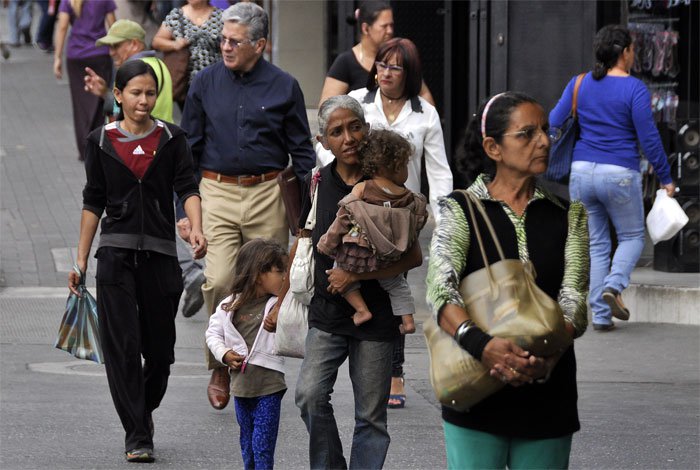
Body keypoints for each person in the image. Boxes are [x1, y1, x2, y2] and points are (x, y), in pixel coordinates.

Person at [426, 91, 590, 469]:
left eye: (546, 131)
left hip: (548, 394)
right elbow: (440, 291)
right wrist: (483, 346)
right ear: (493, 147)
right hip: (474, 389)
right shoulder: (460, 209)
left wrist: (546, 358)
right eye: (527, 133)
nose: (545, 141)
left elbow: (574, 302)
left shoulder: (568, 215)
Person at [68, 60, 206, 463]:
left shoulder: (172, 138)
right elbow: (93, 200)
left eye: (150, 93)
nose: (143, 100)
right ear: (118, 95)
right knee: (122, 348)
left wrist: (196, 228)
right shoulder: (101, 141)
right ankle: (137, 434)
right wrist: (80, 261)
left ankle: (139, 410)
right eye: (135, 93)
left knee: (161, 354)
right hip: (115, 254)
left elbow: (187, 186)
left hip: (162, 254)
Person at [180, 2, 315, 411]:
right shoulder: (203, 82)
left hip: (267, 193)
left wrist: (309, 215)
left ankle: (257, 371)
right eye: (222, 39)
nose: (225, 46)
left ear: (261, 44)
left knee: (263, 287)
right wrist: (185, 213)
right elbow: (187, 149)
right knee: (220, 280)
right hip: (216, 190)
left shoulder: (285, 86)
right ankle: (220, 362)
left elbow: (301, 151)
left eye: (235, 41)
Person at [318, 37, 453, 408]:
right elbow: (327, 141)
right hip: (361, 211)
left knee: (396, 287)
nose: (386, 73)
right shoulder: (358, 103)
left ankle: (395, 371)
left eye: (395, 67)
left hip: (400, 220)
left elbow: (438, 172)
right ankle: (353, 345)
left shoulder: (425, 113)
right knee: (351, 272)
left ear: (410, 73)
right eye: (381, 65)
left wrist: (443, 223)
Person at [292, 95, 422, 469]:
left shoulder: (385, 181)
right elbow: (304, 237)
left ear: (367, 129)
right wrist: (280, 295)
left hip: (378, 318)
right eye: (337, 132)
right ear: (323, 142)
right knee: (309, 396)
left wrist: (357, 274)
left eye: (355, 127)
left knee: (370, 417)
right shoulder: (317, 181)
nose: (348, 137)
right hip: (328, 311)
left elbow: (412, 256)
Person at [550, 24, 675, 332]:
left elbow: (553, 121)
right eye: (633, 50)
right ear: (624, 52)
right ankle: (614, 286)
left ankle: (602, 316)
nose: (634, 56)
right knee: (632, 237)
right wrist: (666, 177)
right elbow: (649, 138)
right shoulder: (634, 89)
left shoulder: (579, 83)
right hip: (619, 172)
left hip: (581, 173)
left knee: (598, 244)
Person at [317, 128, 427, 334]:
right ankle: (408, 320)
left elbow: (344, 216)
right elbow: (416, 222)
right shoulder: (407, 196)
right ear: (394, 167)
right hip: (390, 256)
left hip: (359, 254)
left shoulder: (363, 188)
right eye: (405, 166)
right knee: (397, 285)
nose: (407, 171)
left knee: (337, 270)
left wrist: (328, 242)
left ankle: (361, 309)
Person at [205, 238, 287, 470]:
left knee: (262, 445)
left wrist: (282, 315)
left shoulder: (278, 306)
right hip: (240, 387)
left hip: (270, 387)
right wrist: (224, 354)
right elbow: (212, 334)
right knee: (247, 441)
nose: (284, 277)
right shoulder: (228, 306)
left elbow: (298, 321)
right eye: (279, 270)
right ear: (259, 273)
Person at [319, 1, 434, 106]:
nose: (390, 31)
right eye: (384, 26)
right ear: (365, 28)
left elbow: (424, 96)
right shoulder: (345, 62)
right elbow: (327, 107)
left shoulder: (400, 57)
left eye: (391, 25)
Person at [54, 0, 116, 161]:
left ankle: (84, 148)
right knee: (100, 100)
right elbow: (113, 26)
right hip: (100, 54)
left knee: (80, 103)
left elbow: (62, 27)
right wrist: (116, 51)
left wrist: (57, 57)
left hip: (76, 55)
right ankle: (99, 144)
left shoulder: (68, 1)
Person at [84, 19, 174, 123]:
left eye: (116, 46)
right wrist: (104, 92)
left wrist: (106, 94)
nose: (111, 52)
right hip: (164, 133)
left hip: (140, 137)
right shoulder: (160, 64)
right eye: (110, 47)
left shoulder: (129, 71)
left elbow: (117, 112)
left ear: (134, 44)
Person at [152, 0, 224, 110]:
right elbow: (157, 41)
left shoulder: (220, 16)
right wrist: (175, 44)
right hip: (185, 81)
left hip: (214, 79)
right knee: (191, 120)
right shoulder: (176, 15)